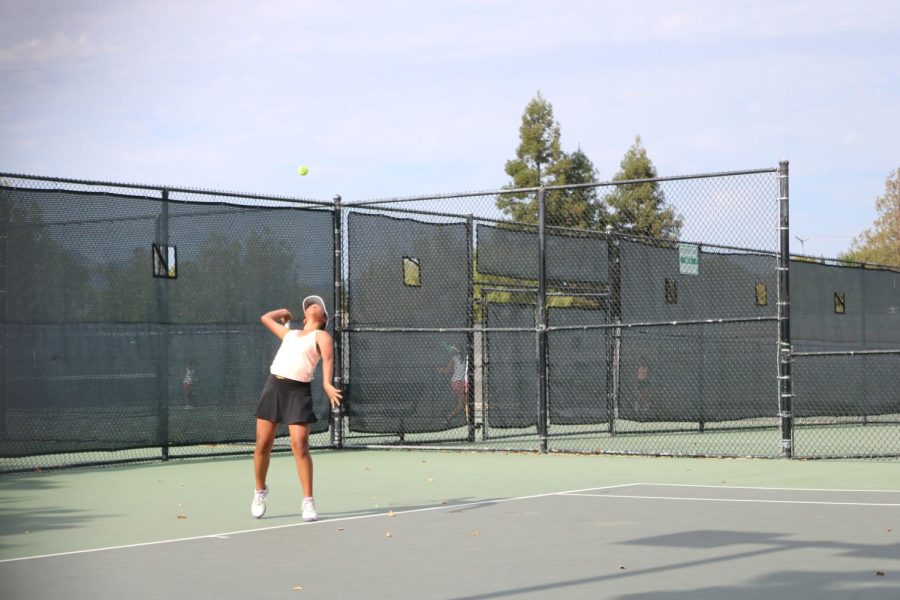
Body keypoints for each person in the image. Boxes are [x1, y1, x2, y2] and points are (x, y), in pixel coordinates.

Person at [251, 295, 342, 521]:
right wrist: (284, 311)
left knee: (300, 445)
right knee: (263, 443)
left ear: (324, 318)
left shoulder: (322, 336)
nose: (313, 305)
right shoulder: (289, 334)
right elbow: (265, 318)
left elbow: (329, 360)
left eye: (319, 305)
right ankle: (260, 491)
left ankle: (308, 502)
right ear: (304, 317)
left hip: (298, 392)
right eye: (309, 305)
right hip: (273, 387)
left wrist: (327, 384)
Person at [438, 345, 469, 423]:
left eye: (454, 348)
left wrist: (437, 369)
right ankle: (448, 419)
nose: (453, 350)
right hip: (462, 383)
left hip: (457, 383)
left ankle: (465, 420)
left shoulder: (455, 359)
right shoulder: (468, 358)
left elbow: (446, 371)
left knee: (463, 403)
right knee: (462, 404)